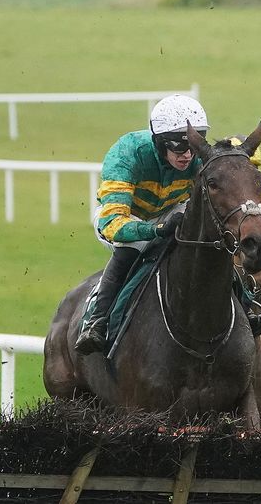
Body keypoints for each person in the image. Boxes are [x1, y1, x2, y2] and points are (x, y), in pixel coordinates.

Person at [74, 94, 209, 355]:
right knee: (133, 244)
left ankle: (247, 302)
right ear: (159, 143)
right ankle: (97, 321)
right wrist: (157, 230)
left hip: (172, 208)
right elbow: (114, 223)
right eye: (178, 148)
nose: (188, 156)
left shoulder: (197, 159)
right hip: (125, 217)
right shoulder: (127, 153)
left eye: (192, 146)